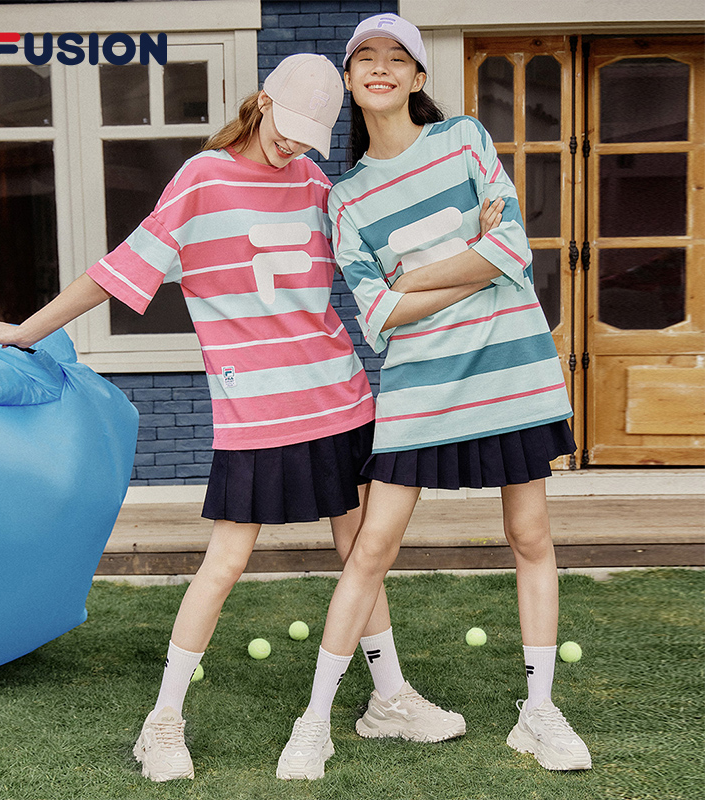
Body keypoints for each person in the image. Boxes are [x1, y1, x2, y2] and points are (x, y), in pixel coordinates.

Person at [0, 53, 487, 782]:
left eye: (312, 136)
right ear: (262, 102)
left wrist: (472, 246)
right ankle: (162, 723)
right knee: (225, 563)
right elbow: (114, 272)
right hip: (255, 412)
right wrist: (27, 331)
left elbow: (383, 265)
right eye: (290, 126)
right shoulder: (200, 179)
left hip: (340, 397)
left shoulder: (315, 184)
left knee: (361, 554)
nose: (296, 145)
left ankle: (390, 698)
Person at [277, 16, 591, 780]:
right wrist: (468, 261)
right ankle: (314, 722)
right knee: (371, 547)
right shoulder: (346, 198)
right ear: (350, 80)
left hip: (511, 374)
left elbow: (513, 249)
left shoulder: (464, 139)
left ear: (418, 78)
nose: (380, 68)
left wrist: (412, 275)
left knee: (530, 536)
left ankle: (539, 712)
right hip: (420, 390)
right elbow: (377, 314)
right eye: (365, 58)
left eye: (397, 58)